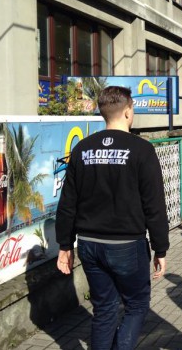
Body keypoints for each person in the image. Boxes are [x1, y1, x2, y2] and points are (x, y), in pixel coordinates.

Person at [55, 86, 169, 349]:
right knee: (136, 305)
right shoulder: (142, 150)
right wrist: (160, 248)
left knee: (104, 309)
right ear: (128, 111)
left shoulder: (82, 149)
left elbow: (68, 203)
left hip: (89, 244)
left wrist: (65, 245)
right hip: (126, 245)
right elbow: (154, 205)